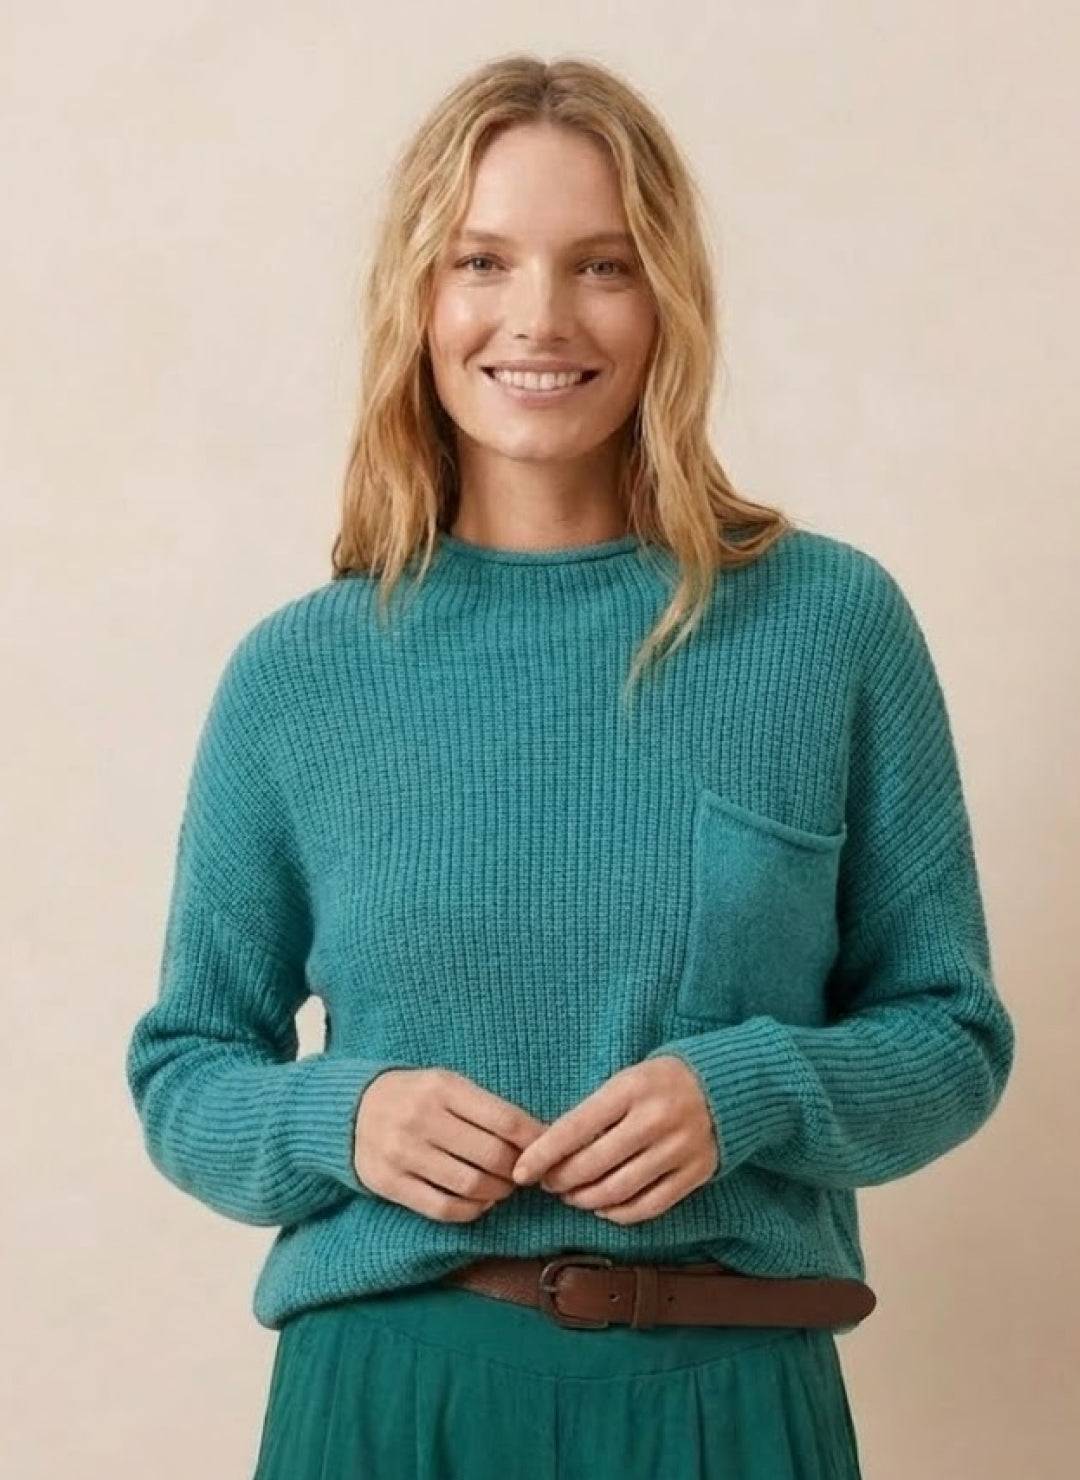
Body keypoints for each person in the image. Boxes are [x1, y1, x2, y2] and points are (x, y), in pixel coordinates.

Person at [123, 53, 1016, 1479]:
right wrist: (341, 1116)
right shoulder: (299, 676)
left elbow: (950, 1035)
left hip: (728, 1400)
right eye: (481, 260)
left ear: (669, 301)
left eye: (601, 265)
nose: (538, 316)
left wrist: (749, 1092)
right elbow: (186, 1068)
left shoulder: (827, 626)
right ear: (419, 299)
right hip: (390, 1400)